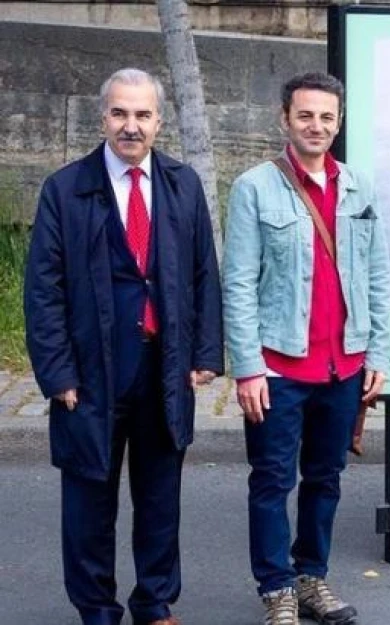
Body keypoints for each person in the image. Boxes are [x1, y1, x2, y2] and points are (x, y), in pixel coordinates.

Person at [23, 67, 223, 625]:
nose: (130, 126)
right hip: (90, 373)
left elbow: (205, 272)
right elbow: (43, 290)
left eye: (142, 115)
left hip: (164, 367)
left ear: (159, 121)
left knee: (160, 498)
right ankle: (96, 609)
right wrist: (57, 373)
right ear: (102, 117)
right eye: (119, 113)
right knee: (89, 500)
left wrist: (206, 353)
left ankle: (154, 602)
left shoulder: (183, 185)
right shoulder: (66, 189)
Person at [222, 72, 390, 625]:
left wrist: (377, 355)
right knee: (272, 479)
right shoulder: (254, 187)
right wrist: (248, 368)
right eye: (305, 116)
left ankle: (311, 577)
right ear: (284, 119)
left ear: (338, 123)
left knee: (326, 477)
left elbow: (377, 276)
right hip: (278, 367)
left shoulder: (359, 187)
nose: (316, 126)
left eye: (326, 117)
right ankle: (277, 589)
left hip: (343, 367)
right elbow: (239, 283)